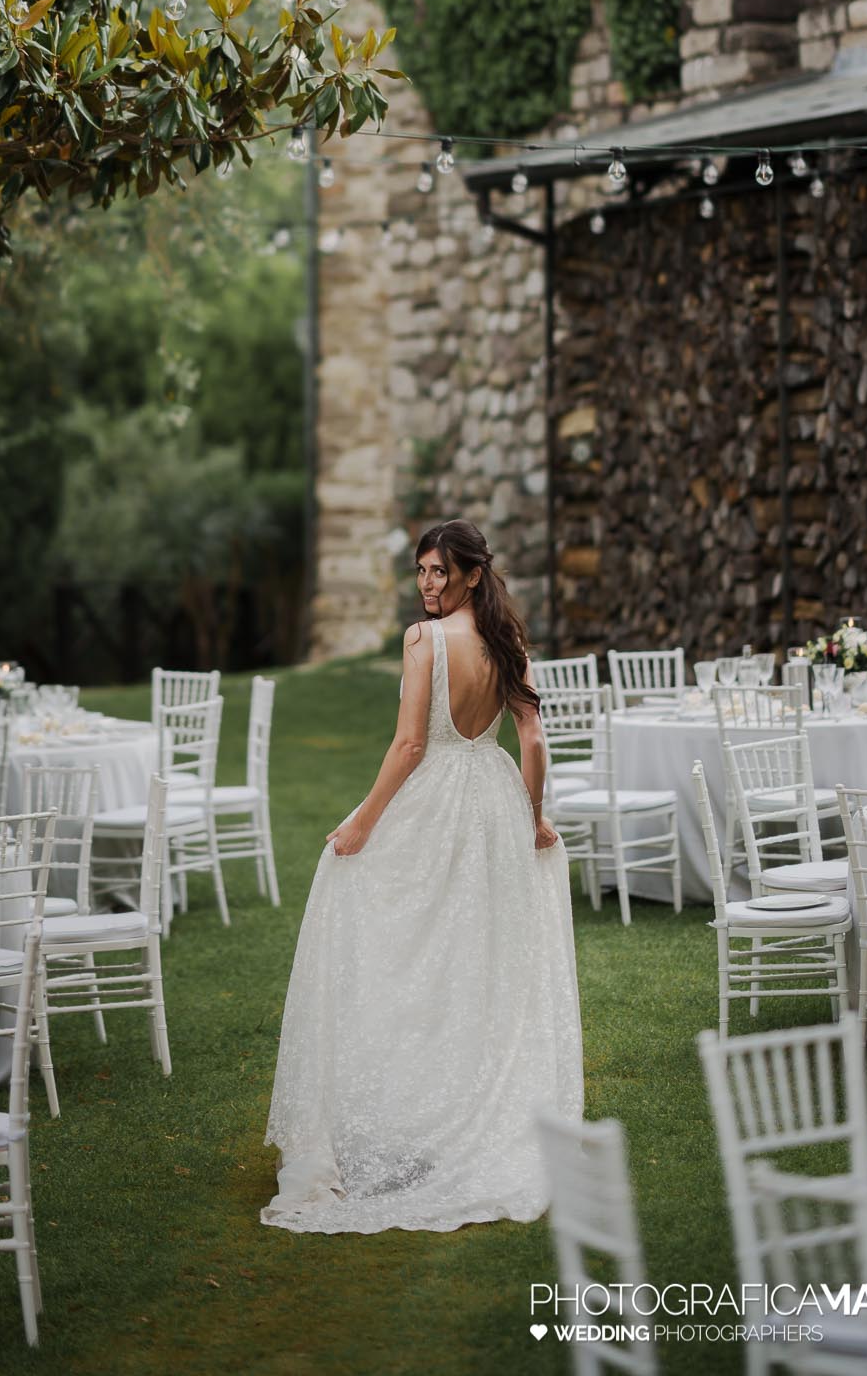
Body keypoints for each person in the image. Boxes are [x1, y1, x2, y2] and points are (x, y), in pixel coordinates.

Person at [260, 517, 583, 1234]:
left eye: (441, 572)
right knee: (468, 956)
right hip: (493, 799)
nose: (429, 585)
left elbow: (409, 744)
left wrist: (363, 822)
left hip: (437, 798)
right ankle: (447, 1109)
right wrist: (530, 816)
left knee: (409, 943)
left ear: (471, 574)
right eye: (421, 572)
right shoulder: (508, 642)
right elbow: (528, 739)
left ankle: (421, 1110)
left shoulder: (423, 641)